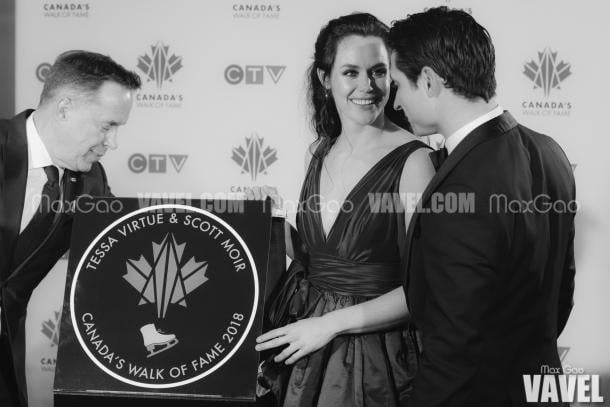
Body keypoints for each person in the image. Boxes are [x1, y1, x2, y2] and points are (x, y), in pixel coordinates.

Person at [388, 7, 576, 406]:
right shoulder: (550, 152)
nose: (397, 102)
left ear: (428, 81)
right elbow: (560, 297)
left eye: (398, 85)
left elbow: (454, 349)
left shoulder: (457, 189)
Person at [254, 13, 435, 406]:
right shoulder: (320, 151)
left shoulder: (414, 161)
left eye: (378, 72)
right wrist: (270, 221)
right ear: (325, 79)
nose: (367, 86)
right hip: (302, 338)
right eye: (350, 72)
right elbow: (319, 260)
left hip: (371, 358)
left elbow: (423, 291)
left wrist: (330, 325)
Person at [0, 50, 141, 407]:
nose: (113, 143)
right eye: (107, 125)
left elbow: (127, 251)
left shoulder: (91, 180)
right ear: (64, 108)